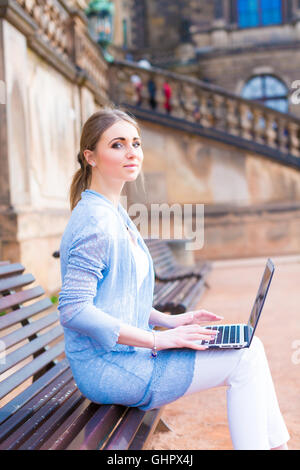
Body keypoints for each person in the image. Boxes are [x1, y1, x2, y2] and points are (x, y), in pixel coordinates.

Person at [58, 106, 290, 450]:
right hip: (108, 367)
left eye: (135, 143)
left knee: (249, 345)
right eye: (117, 145)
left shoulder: (114, 210)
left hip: (128, 355)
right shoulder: (94, 222)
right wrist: (159, 340)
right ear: (90, 156)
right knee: (243, 359)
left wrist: (169, 321)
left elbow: (118, 296)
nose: (131, 152)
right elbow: (74, 310)